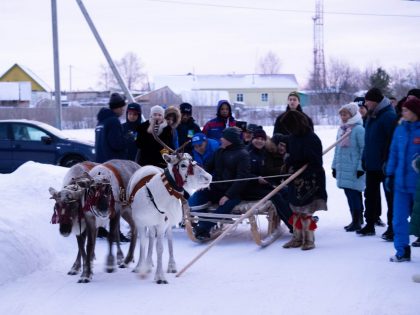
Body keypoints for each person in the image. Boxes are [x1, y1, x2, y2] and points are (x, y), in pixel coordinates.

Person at [189, 127, 250, 241]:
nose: (221, 139)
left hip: (233, 192)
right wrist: (201, 183)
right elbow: (207, 167)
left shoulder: (243, 154)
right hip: (215, 187)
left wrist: (228, 195)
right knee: (194, 200)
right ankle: (204, 225)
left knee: (225, 205)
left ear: (230, 139)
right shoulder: (219, 151)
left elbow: (242, 178)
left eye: (224, 137)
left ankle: (203, 227)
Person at [280, 111, 327, 250]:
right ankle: (297, 238)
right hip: (296, 178)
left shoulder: (312, 139)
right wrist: (287, 164)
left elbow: (316, 163)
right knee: (295, 209)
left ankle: (309, 240)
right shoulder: (293, 137)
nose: (288, 130)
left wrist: (302, 174)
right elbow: (293, 156)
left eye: (289, 127)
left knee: (306, 210)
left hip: (311, 178)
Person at [357, 88, 397, 238]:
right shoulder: (371, 116)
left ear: (376, 101)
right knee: (370, 195)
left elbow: (392, 142)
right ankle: (369, 224)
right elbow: (368, 141)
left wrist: (387, 162)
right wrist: (365, 158)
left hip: (385, 165)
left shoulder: (388, 116)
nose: (366, 103)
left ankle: (392, 227)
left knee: (390, 197)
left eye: (368, 100)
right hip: (372, 164)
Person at [386, 98, 420, 262]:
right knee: (398, 219)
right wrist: (390, 174)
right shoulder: (400, 129)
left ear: (415, 112)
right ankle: (402, 251)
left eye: (406, 110)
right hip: (400, 183)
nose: (402, 112)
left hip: (418, 185)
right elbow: (393, 153)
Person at [243, 129, 293, 232]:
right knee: (275, 195)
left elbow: (266, 170)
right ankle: (293, 226)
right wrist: (256, 179)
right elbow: (242, 174)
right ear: (253, 139)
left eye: (262, 139)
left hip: (260, 185)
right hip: (247, 188)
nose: (259, 141)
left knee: (285, 191)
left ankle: (296, 218)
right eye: (257, 138)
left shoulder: (263, 153)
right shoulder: (247, 153)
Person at [332, 103, 365, 232]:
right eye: (341, 114)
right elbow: (337, 149)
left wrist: (361, 168)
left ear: (352, 114)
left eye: (345, 113)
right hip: (343, 167)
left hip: (354, 168)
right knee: (349, 194)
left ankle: (358, 220)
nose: (343, 116)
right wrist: (334, 166)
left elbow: (364, 149)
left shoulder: (358, 129)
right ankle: (354, 219)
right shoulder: (342, 129)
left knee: (355, 194)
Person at [95, 92, 127, 163]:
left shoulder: (100, 121)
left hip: (100, 164)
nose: (123, 109)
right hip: (112, 166)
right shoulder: (113, 121)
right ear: (116, 108)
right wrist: (127, 139)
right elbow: (117, 144)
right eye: (121, 107)